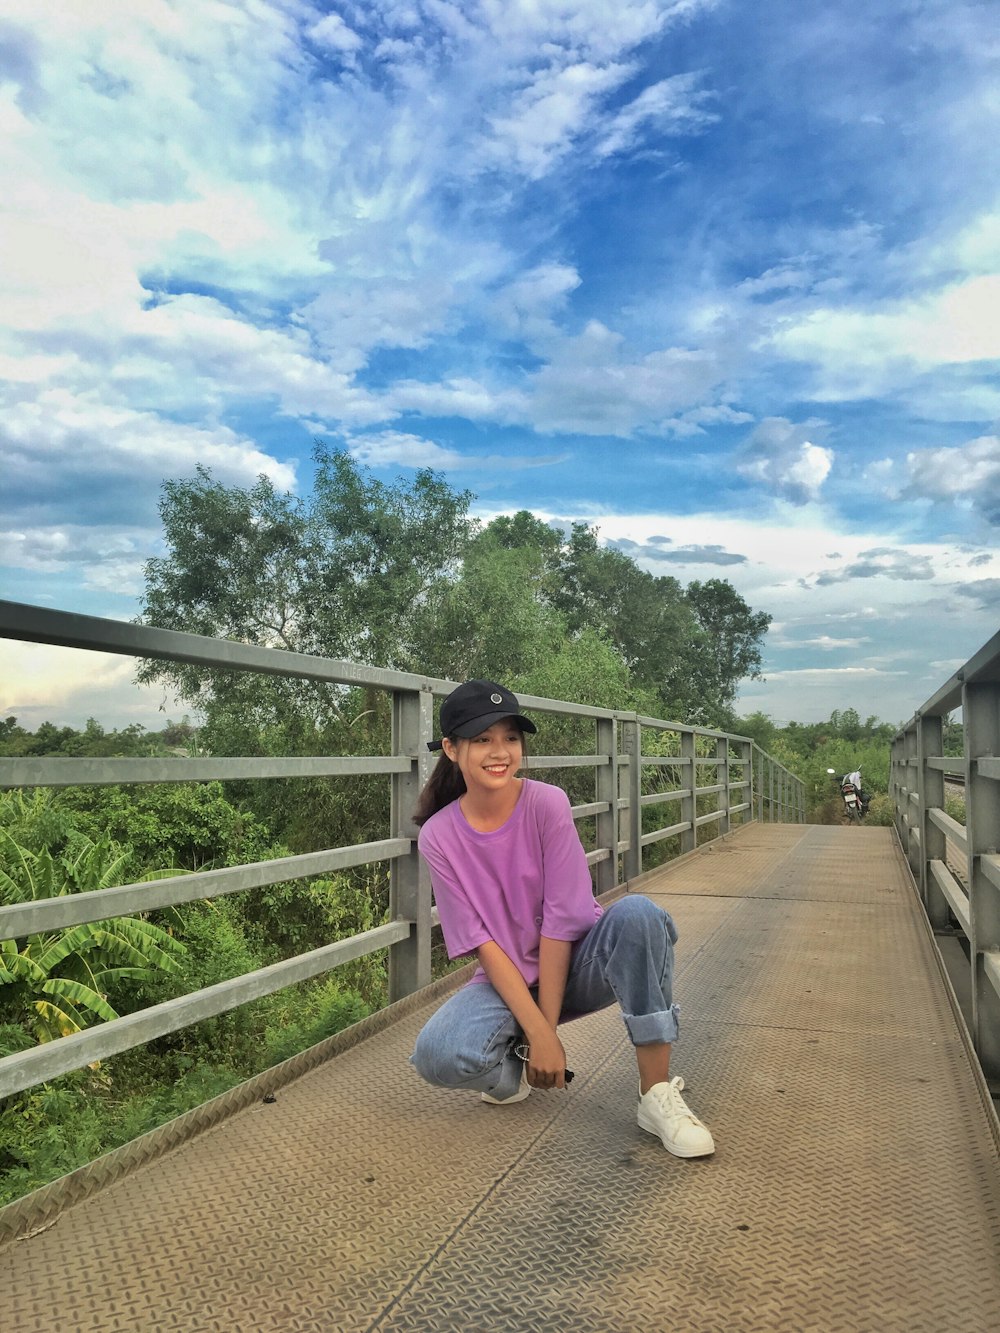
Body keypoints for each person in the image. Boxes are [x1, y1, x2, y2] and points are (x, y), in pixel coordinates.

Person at [409, 678, 714, 1159]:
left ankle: (655, 1095)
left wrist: (545, 1033)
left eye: (510, 737)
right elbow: (482, 944)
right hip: (505, 979)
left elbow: (561, 923)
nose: (500, 751)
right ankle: (510, 1074)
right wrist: (537, 1039)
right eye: (482, 739)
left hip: (579, 960)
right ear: (450, 748)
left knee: (639, 915)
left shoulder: (546, 803)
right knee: (436, 1054)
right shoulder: (439, 837)